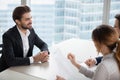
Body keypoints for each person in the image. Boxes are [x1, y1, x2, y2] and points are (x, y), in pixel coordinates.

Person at [0, 5, 49, 72]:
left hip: (24, 68)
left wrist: (44, 53)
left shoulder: (31, 31)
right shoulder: (8, 36)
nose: (31, 21)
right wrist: (34, 59)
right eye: (27, 19)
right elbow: (11, 61)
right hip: (7, 71)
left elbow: (43, 44)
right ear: (18, 21)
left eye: (31, 18)